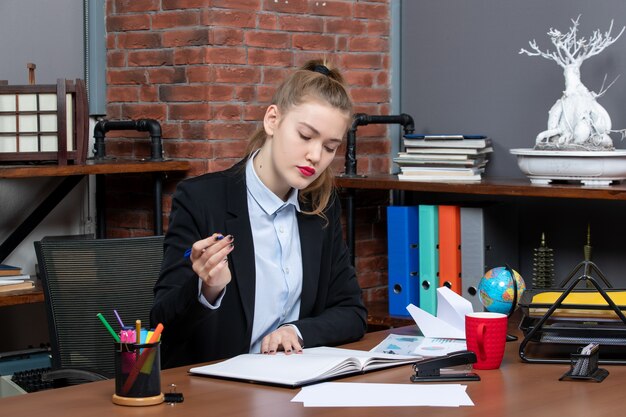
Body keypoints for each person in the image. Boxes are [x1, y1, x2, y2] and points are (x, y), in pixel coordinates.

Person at [151, 59, 368, 369]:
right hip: (218, 393)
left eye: (330, 147)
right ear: (272, 120)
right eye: (306, 136)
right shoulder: (201, 199)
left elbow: (352, 312)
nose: (316, 156)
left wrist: (295, 331)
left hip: (293, 383)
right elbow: (161, 323)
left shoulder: (319, 205)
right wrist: (206, 289)